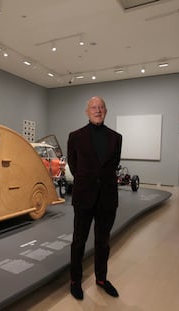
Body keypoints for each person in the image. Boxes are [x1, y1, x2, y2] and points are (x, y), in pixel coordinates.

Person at [67, 96, 122, 300]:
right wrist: (87, 180)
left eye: (101, 107)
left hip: (107, 198)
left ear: (106, 111)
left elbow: (112, 165)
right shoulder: (75, 136)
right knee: (78, 241)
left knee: (103, 242)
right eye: (93, 108)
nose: (97, 110)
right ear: (87, 111)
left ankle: (101, 279)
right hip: (84, 196)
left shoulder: (116, 138)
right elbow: (73, 166)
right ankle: (75, 281)